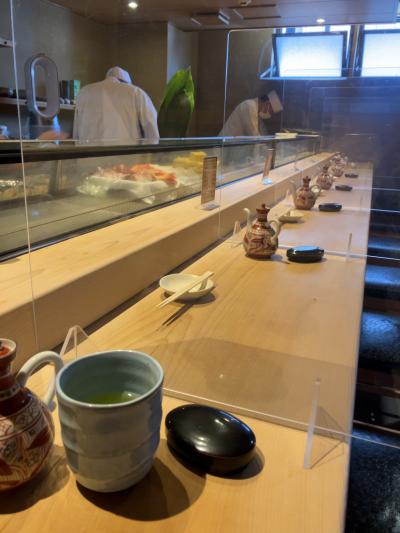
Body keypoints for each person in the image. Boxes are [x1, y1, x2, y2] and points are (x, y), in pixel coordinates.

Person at [73, 67, 159, 142]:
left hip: (88, 153)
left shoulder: (84, 92)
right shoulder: (136, 93)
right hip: (125, 153)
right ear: (126, 82)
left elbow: (76, 132)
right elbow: (152, 130)